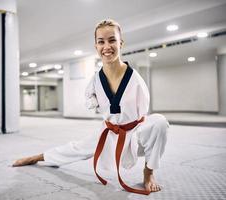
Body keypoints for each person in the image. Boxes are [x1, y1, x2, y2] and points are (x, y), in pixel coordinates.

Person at [13, 19, 168, 194]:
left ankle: (149, 173)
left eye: (112, 40)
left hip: (134, 134)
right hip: (109, 132)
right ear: (96, 46)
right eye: (101, 42)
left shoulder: (134, 78)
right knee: (75, 149)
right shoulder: (96, 79)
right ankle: (36, 157)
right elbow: (90, 98)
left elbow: (143, 113)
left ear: (121, 43)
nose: (107, 46)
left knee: (159, 122)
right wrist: (94, 102)